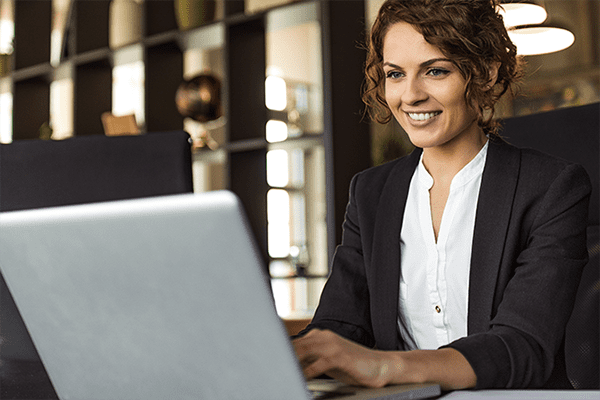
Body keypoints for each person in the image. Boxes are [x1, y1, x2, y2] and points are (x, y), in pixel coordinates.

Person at [292, 0, 591, 391]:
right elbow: (341, 325)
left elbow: (523, 346)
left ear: (484, 74)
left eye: (435, 71)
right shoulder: (370, 193)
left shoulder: (551, 187)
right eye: (395, 74)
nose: (410, 95)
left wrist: (386, 367)